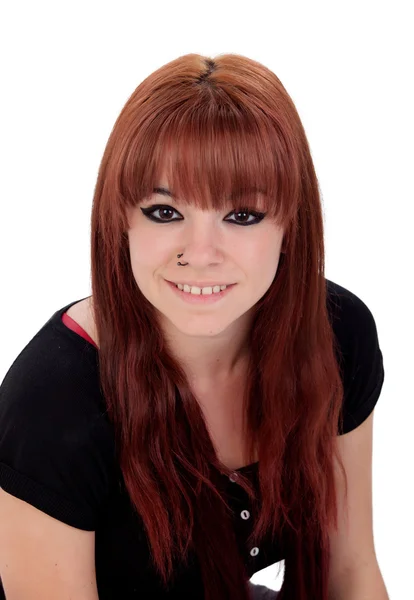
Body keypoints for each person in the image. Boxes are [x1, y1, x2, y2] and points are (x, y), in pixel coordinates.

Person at [0, 53, 385, 600]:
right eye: (164, 212)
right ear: (120, 221)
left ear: (290, 226)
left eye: (242, 216)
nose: (200, 254)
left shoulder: (337, 336)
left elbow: (351, 573)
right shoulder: (53, 405)